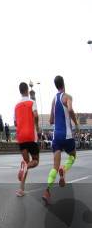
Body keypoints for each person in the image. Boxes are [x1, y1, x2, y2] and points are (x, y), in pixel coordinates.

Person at [43, 75, 78, 205]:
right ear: (64, 83)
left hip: (56, 136)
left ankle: (47, 191)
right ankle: (64, 168)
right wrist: (76, 123)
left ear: (56, 85)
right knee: (73, 156)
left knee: (54, 167)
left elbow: (51, 120)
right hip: (67, 135)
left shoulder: (54, 99)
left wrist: (57, 119)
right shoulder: (67, 97)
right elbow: (70, 109)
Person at [14, 82, 40, 197]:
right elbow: (35, 115)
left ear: (20, 91)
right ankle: (26, 167)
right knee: (34, 161)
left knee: (26, 162)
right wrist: (37, 126)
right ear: (27, 91)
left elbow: (15, 122)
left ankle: (21, 189)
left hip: (21, 137)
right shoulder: (32, 102)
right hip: (30, 135)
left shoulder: (16, 106)